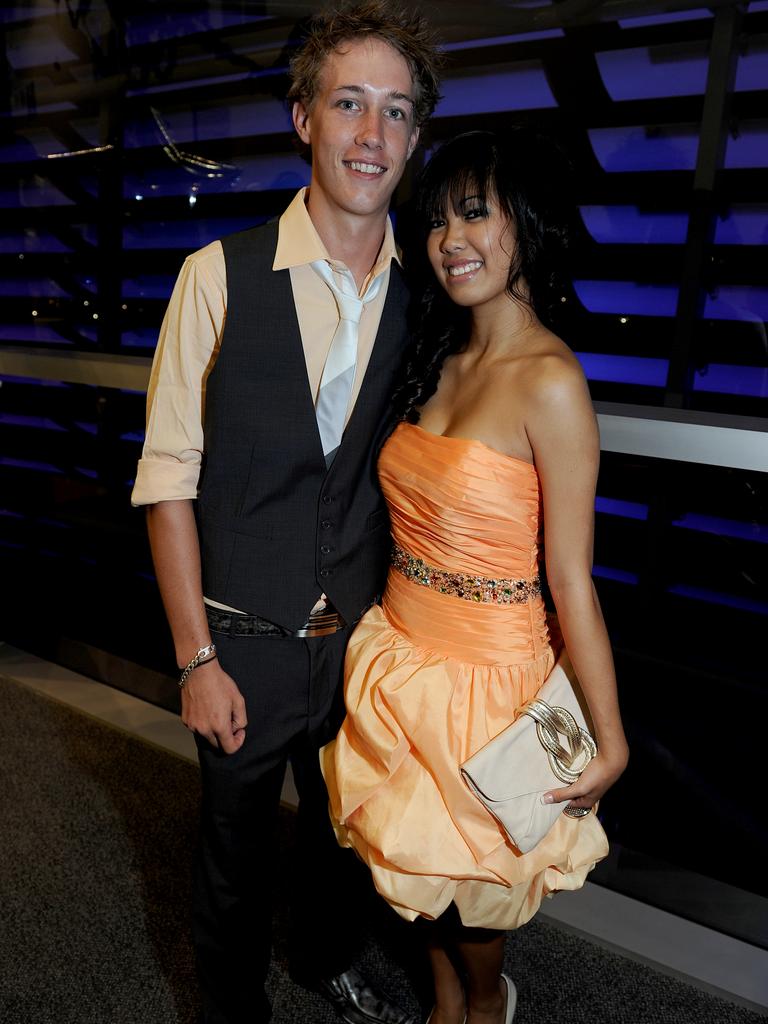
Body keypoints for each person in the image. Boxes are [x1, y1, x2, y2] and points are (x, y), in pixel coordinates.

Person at [130, 4, 441, 1022]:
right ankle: (229, 1004)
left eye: (396, 112)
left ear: (414, 137)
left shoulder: (425, 300)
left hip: (362, 643)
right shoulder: (214, 278)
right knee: (233, 854)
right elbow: (168, 480)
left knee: (345, 835)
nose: (371, 134)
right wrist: (194, 658)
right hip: (241, 642)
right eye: (348, 103)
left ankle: (323, 959)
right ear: (303, 116)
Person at [321, 129, 630, 1024]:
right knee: (420, 881)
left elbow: (572, 578)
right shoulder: (439, 356)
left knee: (475, 899)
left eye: (474, 213)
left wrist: (609, 738)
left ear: (523, 225)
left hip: (491, 684)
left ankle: (484, 1007)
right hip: (402, 654)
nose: (449, 239)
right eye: (436, 222)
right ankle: (449, 1007)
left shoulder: (552, 382)